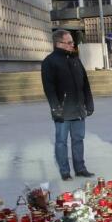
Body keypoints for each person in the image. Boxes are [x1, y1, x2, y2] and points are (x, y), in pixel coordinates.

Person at [41, 29, 94, 181]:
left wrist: (89, 103)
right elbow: (49, 88)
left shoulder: (75, 59)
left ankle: (80, 168)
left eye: (72, 42)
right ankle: (65, 171)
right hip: (62, 110)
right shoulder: (49, 61)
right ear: (59, 43)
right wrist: (55, 108)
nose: (73, 45)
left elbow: (85, 83)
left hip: (78, 109)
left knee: (78, 139)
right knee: (61, 141)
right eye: (69, 42)